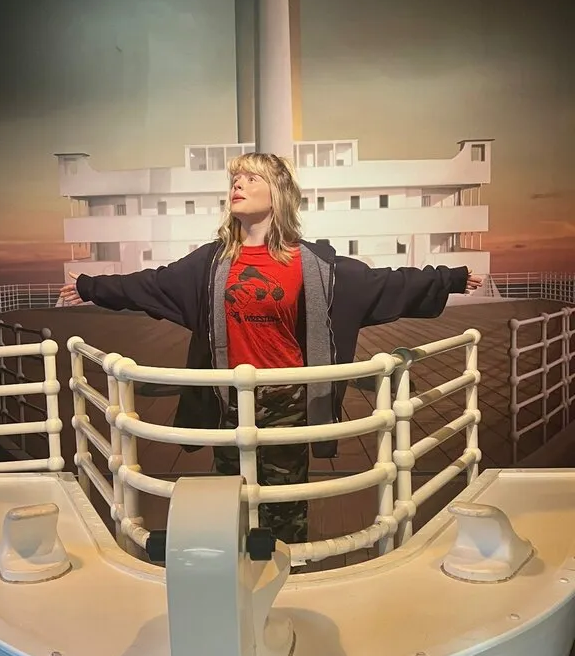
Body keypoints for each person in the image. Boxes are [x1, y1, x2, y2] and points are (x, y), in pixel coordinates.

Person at [60, 152, 483, 546]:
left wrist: (448, 278)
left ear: (277, 193)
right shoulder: (210, 264)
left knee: (284, 507)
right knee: (230, 501)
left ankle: (285, 574)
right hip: (228, 401)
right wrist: (91, 287)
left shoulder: (314, 265)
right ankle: (236, 573)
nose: (237, 185)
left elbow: (385, 283)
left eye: (251, 178)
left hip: (289, 402)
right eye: (235, 179)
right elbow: (151, 283)